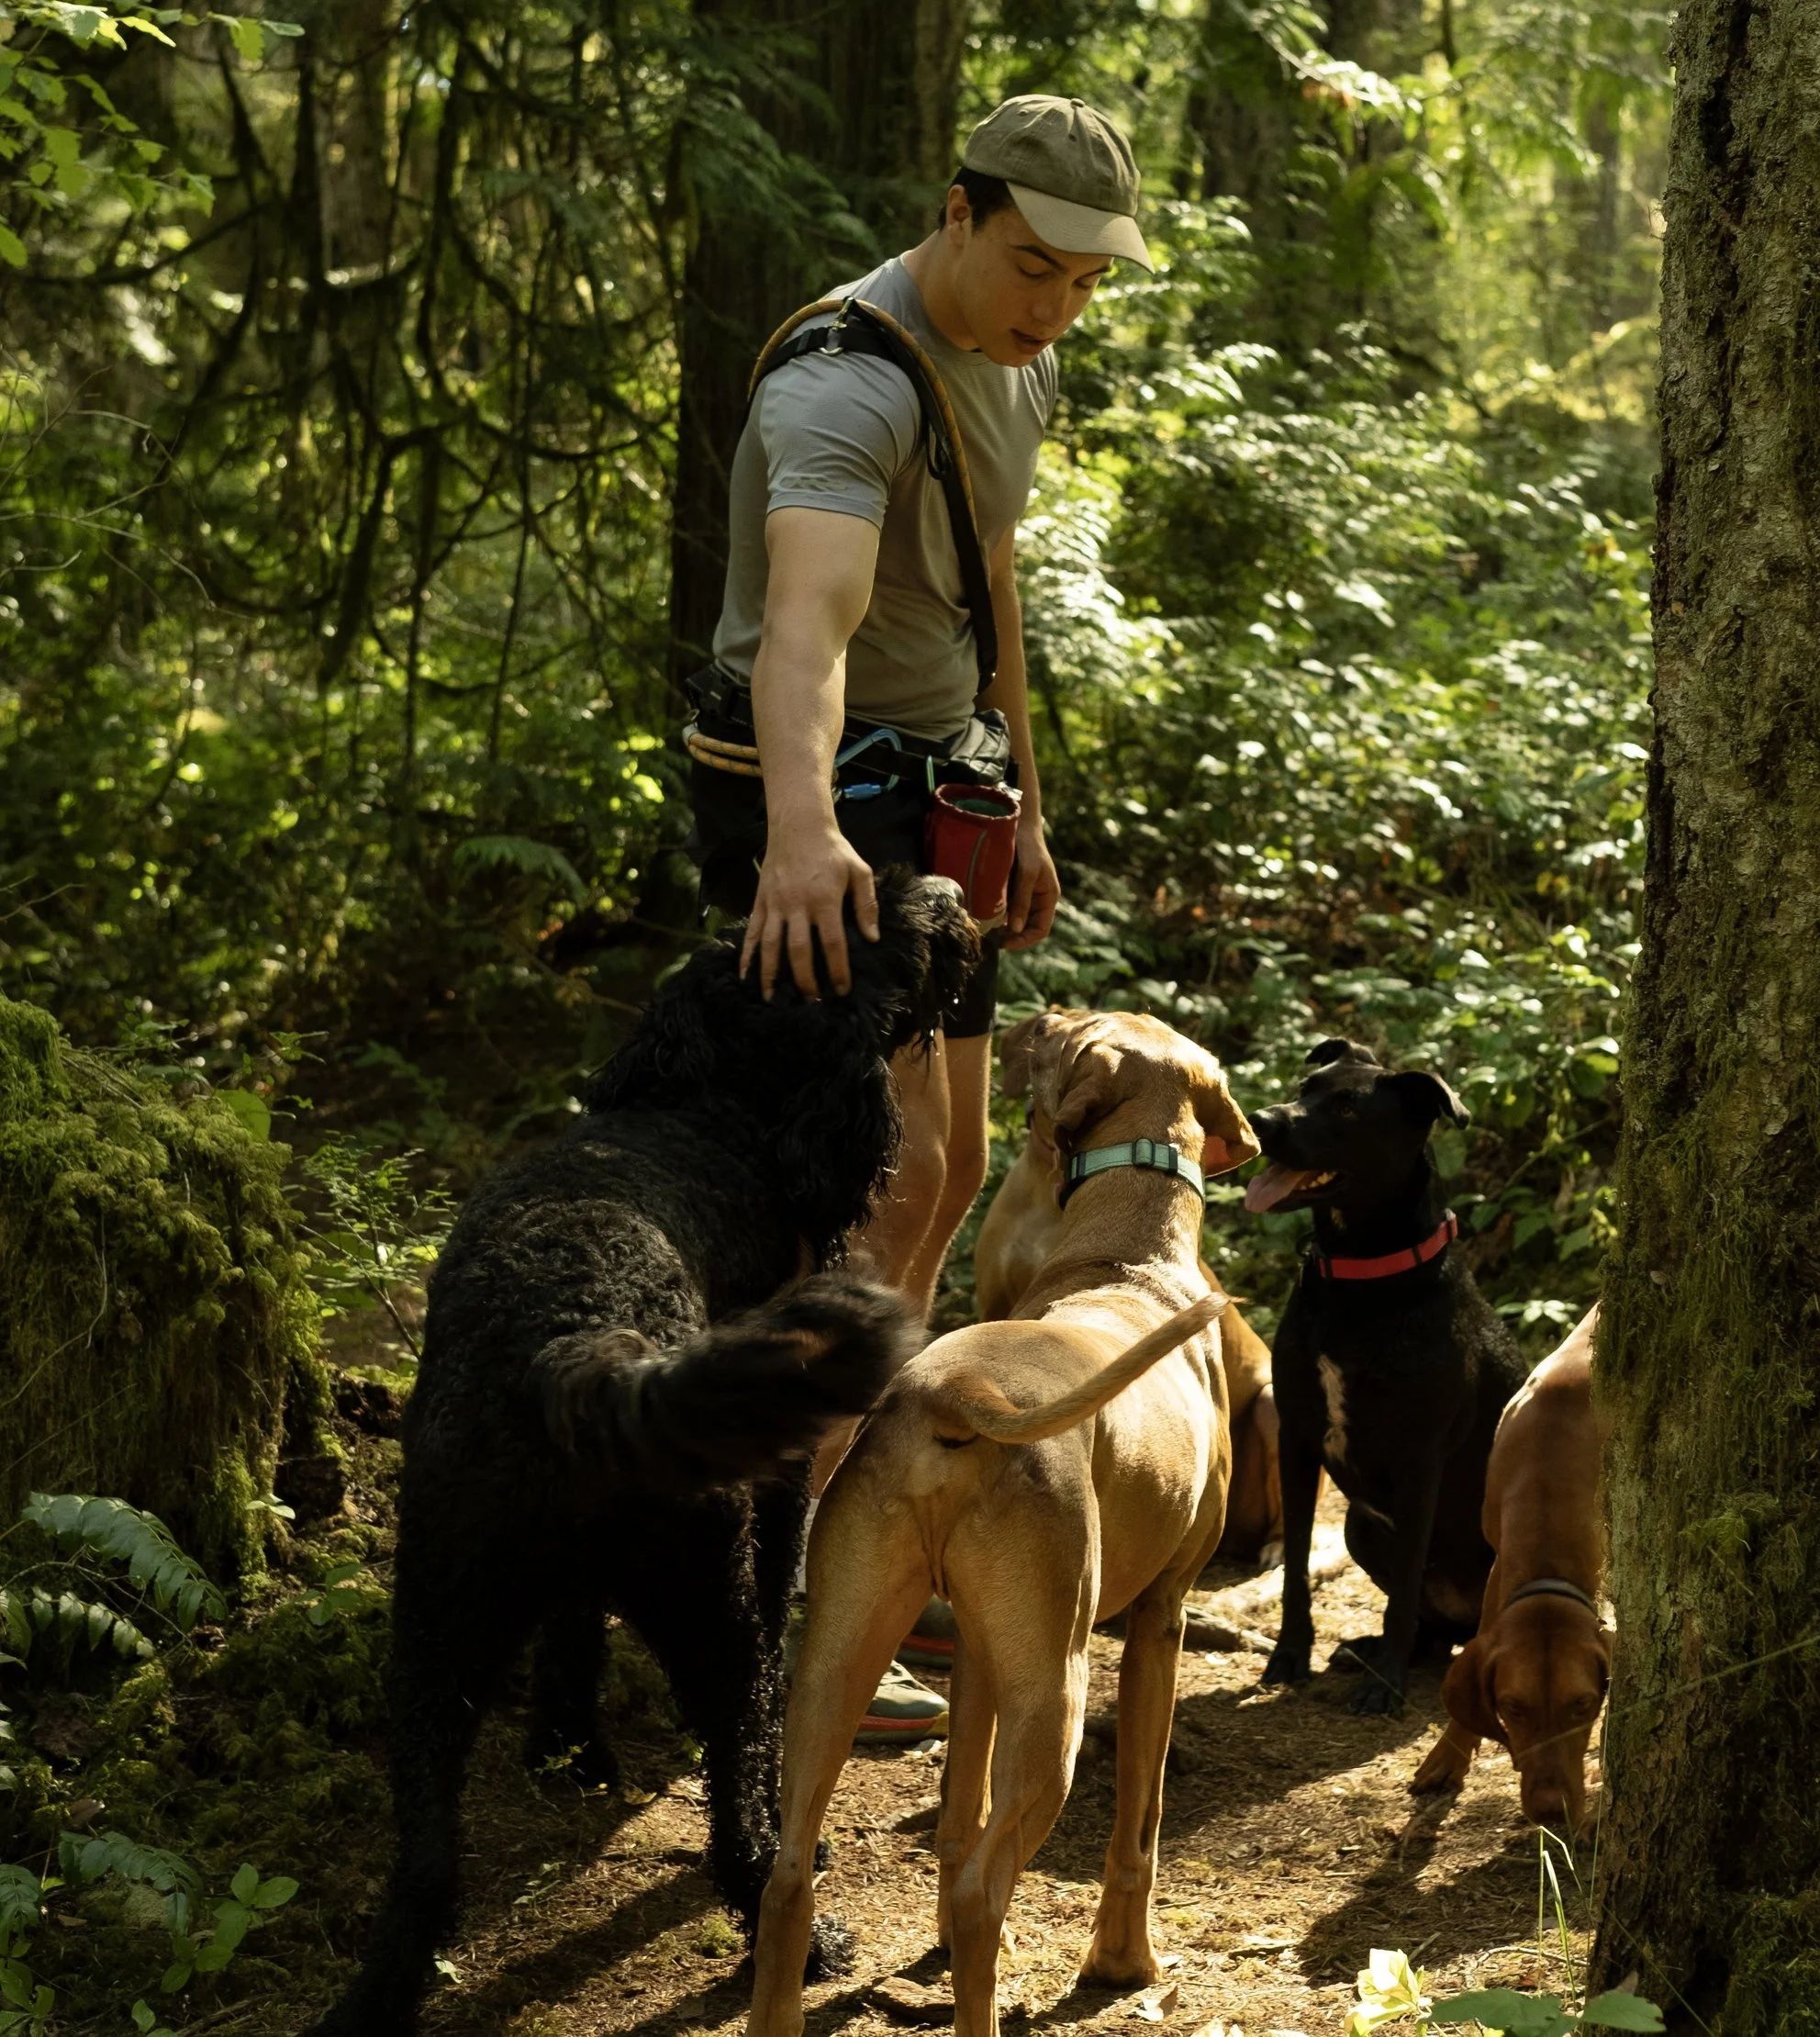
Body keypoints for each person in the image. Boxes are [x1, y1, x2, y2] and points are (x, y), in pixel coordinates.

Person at [685, 95, 1156, 1742]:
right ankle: (774, 1606)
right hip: (817, 800)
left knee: (944, 1170)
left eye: (1088, 280)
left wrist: (1022, 789)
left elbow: (994, 577)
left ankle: (855, 1551)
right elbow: (803, 626)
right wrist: (801, 838)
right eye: (1035, 266)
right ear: (954, 212)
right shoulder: (841, 382)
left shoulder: (1022, 362)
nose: (1058, 306)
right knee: (851, 1203)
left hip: (937, 785)